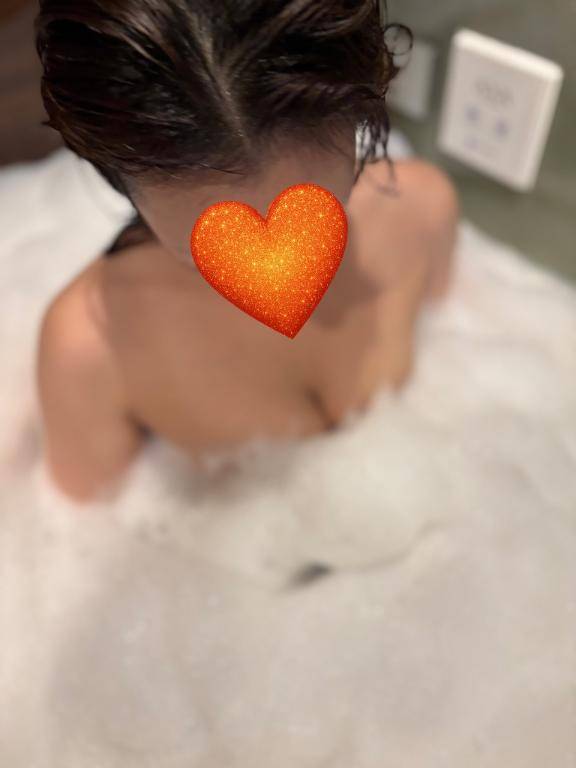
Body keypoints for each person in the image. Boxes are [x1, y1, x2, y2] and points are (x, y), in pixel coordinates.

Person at [34, 0, 459, 504]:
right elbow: (84, 531)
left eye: (329, 207)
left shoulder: (423, 212)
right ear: (111, 173)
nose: (285, 284)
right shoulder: (88, 352)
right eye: (203, 253)